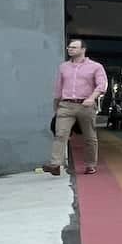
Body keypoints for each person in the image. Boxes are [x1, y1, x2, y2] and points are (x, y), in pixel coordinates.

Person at [45, 37, 108, 176]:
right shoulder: (63, 67)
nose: (70, 49)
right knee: (60, 134)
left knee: (89, 137)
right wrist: (56, 106)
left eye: (73, 47)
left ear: (83, 50)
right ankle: (55, 164)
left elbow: (101, 85)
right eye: (69, 47)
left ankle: (90, 165)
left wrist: (92, 98)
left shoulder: (96, 67)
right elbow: (58, 88)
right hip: (66, 105)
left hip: (86, 105)